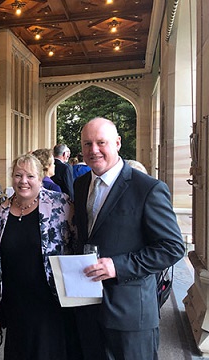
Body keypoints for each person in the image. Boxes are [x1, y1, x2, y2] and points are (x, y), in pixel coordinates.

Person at [73, 117, 185, 360]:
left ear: (118, 143)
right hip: (88, 309)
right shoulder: (81, 185)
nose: (93, 150)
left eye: (101, 142)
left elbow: (173, 247)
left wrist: (118, 265)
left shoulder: (147, 188)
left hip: (130, 314)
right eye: (87, 144)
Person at [0, 154, 79, 360]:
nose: (23, 181)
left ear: (41, 178)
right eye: (18, 175)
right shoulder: (1, 212)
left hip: (49, 299)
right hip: (15, 300)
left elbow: (77, 243)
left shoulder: (61, 204)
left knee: (47, 351)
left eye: (30, 176)